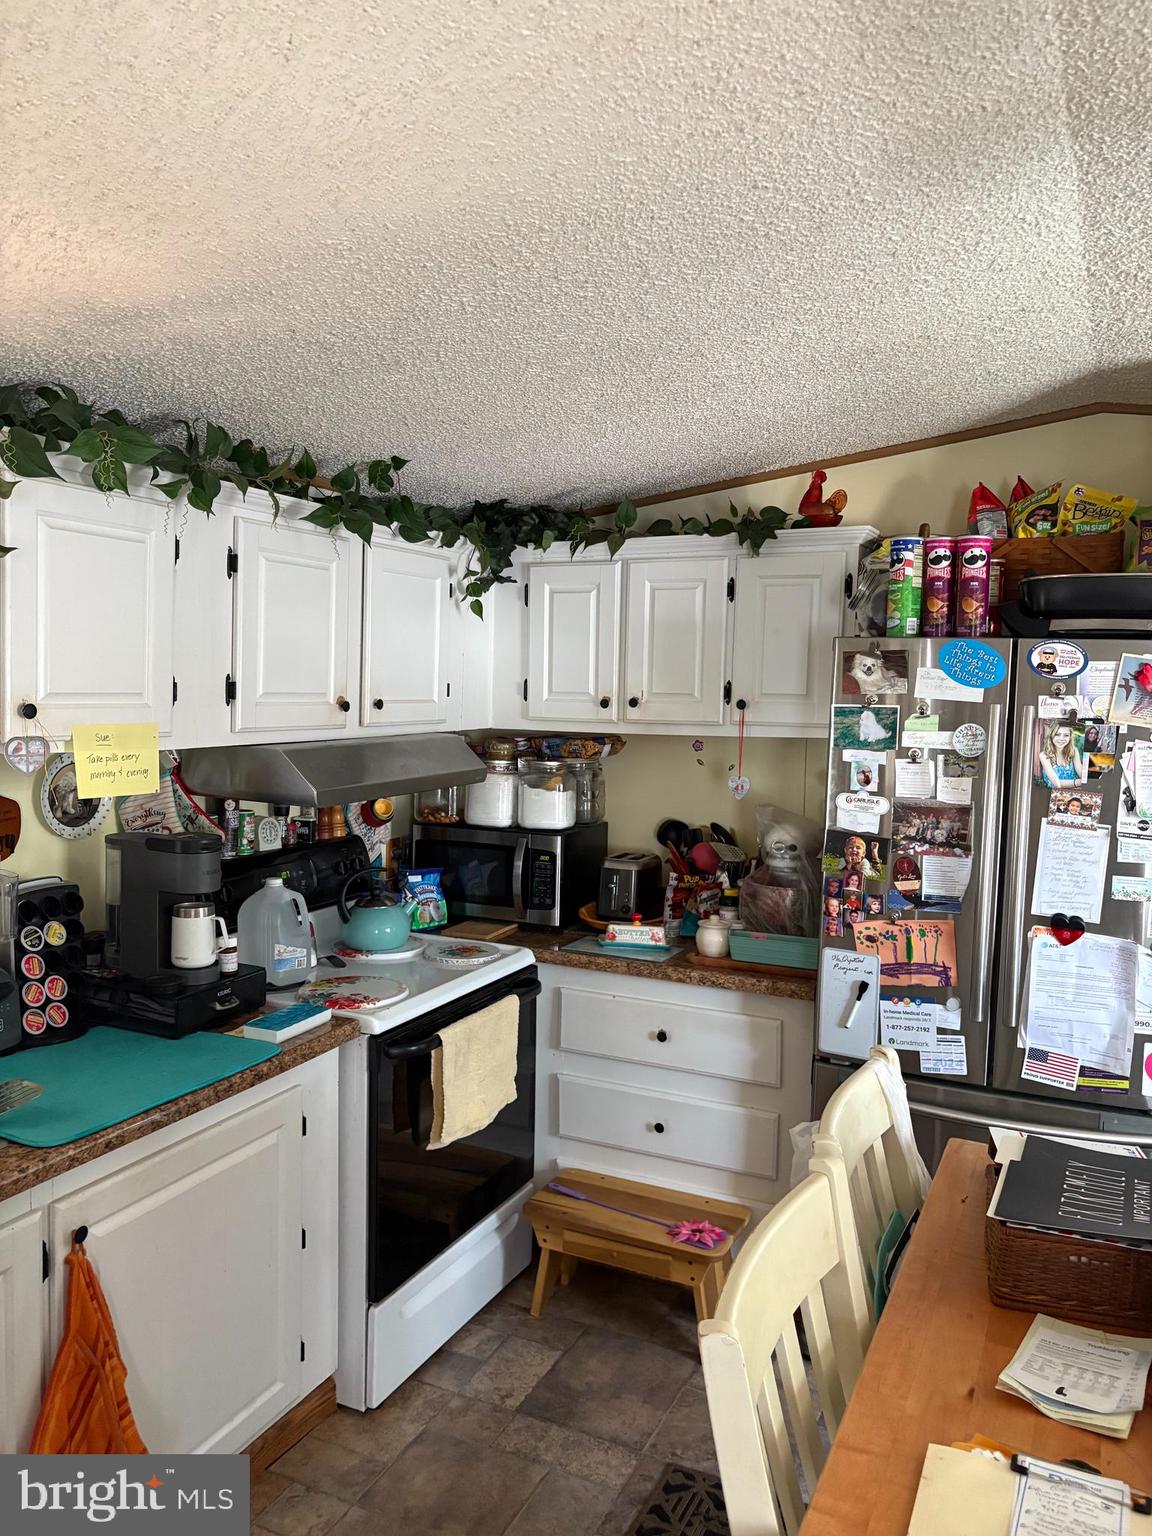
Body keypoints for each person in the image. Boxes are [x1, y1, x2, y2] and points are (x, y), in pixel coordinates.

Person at [1039, 722, 1085, 788]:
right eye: (1057, 734)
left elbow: (1081, 773)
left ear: (1070, 737)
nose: (1061, 739)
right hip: (1053, 793)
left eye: (1066, 735)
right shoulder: (1044, 755)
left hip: (1075, 791)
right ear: (1051, 735)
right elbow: (1056, 783)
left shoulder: (1074, 751)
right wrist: (1078, 782)